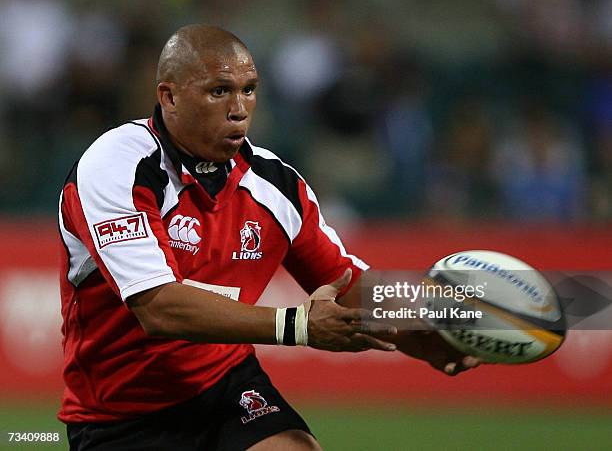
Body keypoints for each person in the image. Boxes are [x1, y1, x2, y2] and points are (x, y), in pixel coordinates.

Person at [58, 24, 478, 450]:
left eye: (249, 89)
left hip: (226, 387)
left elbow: (350, 285)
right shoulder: (118, 165)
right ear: (169, 96)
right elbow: (159, 308)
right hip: (117, 414)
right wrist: (295, 326)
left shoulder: (275, 185)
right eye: (219, 91)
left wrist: (439, 322)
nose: (239, 109)